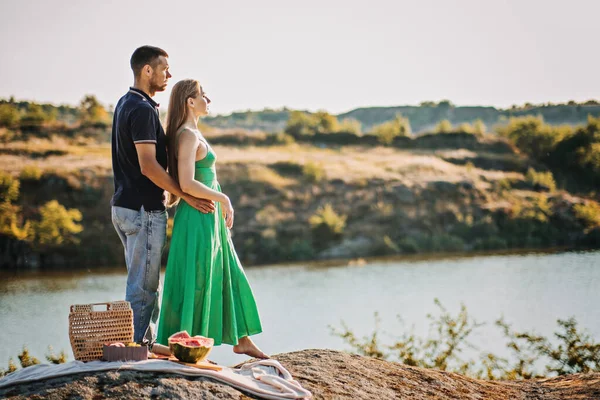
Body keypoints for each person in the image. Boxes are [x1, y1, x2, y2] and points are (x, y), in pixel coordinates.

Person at [156, 79, 268, 359]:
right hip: (199, 216)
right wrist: (224, 199)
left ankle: (242, 339)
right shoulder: (188, 135)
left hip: (208, 216)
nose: (209, 99)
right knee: (198, 277)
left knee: (227, 270)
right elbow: (186, 182)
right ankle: (184, 346)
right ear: (190, 102)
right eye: (203, 95)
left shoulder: (193, 133)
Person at [111, 46, 214, 344]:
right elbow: (147, 166)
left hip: (123, 207)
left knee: (137, 283)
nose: (169, 74)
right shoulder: (142, 109)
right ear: (147, 70)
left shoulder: (125, 103)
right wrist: (184, 192)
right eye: (164, 68)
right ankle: (137, 353)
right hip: (143, 211)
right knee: (144, 289)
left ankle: (136, 346)